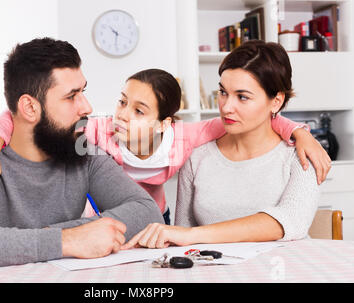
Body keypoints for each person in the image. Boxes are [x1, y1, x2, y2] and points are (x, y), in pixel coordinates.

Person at [0, 38, 164, 270]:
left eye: (83, 91)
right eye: (71, 96)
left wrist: (60, 235)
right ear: (30, 108)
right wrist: (63, 241)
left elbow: (147, 213)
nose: (86, 107)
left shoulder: (84, 153)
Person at [0, 69, 330, 224]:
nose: (122, 115)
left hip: (155, 219)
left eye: (139, 110)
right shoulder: (96, 131)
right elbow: (20, 115)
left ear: (164, 123)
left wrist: (300, 133)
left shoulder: (184, 138)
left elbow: (250, 118)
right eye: (122, 101)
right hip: (102, 219)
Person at [121, 40, 321, 249]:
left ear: (276, 101)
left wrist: (192, 235)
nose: (226, 107)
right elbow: (182, 233)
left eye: (242, 97)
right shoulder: (198, 155)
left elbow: (291, 221)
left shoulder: (302, 154)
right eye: (223, 92)